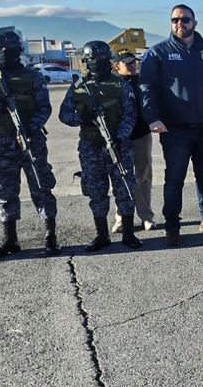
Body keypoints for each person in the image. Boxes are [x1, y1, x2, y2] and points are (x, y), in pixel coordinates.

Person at [138, 4, 203, 246]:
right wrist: (153, 117)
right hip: (175, 129)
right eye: (175, 20)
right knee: (175, 179)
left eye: (185, 20)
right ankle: (172, 226)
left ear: (195, 23)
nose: (180, 24)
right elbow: (146, 88)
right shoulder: (158, 53)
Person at [0, 31, 60, 258]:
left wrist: (30, 127)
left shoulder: (32, 77)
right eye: (1, 51)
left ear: (19, 51)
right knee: (4, 189)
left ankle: (50, 236)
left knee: (41, 186)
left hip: (30, 139)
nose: (6, 55)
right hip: (0, 141)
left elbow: (45, 108)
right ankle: (10, 239)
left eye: (11, 51)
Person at [59, 41, 143, 251]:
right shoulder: (78, 86)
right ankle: (101, 235)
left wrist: (120, 137)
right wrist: (81, 117)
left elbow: (130, 115)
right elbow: (64, 115)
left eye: (101, 59)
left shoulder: (119, 84)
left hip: (118, 147)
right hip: (90, 147)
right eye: (93, 60)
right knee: (96, 191)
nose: (97, 63)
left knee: (124, 188)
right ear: (87, 62)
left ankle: (129, 234)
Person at [110, 49, 158, 233]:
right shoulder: (112, 84)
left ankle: (146, 216)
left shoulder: (142, 83)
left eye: (134, 62)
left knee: (143, 176)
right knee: (120, 178)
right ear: (117, 66)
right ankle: (122, 218)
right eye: (127, 63)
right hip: (119, 138)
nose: (132, 65)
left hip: (141, 134)